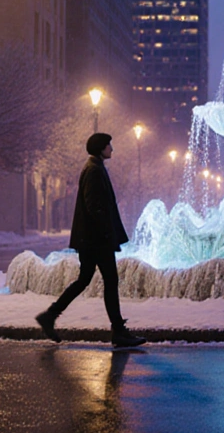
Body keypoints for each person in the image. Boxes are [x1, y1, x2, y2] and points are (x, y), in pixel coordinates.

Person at [35, 132, 146, 348]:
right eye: (109, 145)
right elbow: (94, 205)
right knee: (110, 281)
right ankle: (118, 331)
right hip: (96, 240)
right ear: (101, 148)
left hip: (92, 239)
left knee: (85, 279)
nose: (112, 149)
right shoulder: (94, 170)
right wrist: (106, 232)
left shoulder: (95, 167)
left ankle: (50, 316)